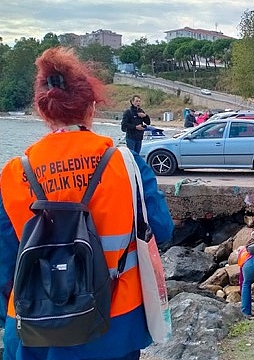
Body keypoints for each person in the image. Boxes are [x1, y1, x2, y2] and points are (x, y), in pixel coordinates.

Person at [0, 47, 174, 360]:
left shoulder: (13, 172)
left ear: (44, 111)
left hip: (34, 325)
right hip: (114, 324)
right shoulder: (127, 164)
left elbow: (5, 263)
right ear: (91, 108)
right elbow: (161, 230)